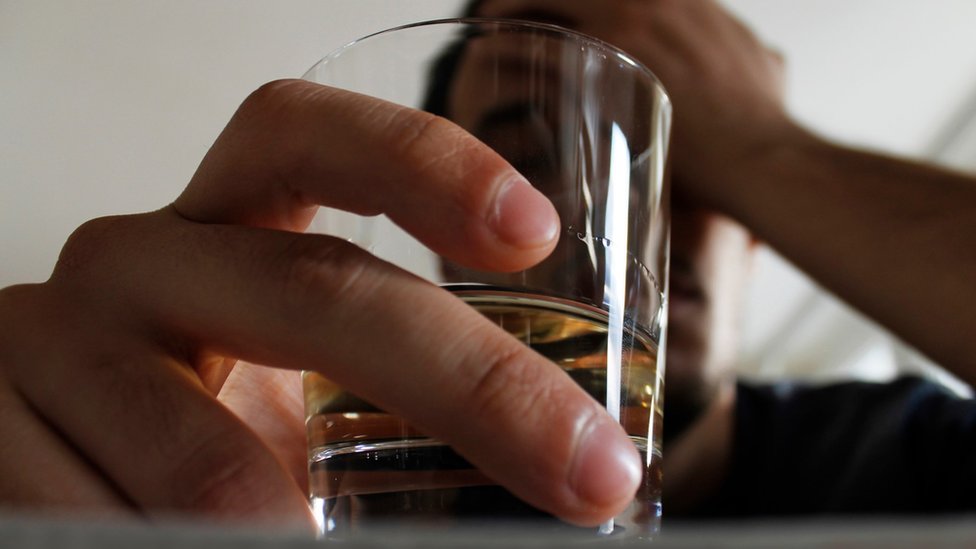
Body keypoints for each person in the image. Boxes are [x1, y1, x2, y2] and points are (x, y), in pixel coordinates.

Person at [1, 0, 974, 529]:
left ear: (764, 232)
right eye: (538, 153)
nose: (632, 226)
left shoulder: (912, 450)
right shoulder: (365, 482)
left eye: (688, 162)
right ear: (447, 220)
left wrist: (768, 147)